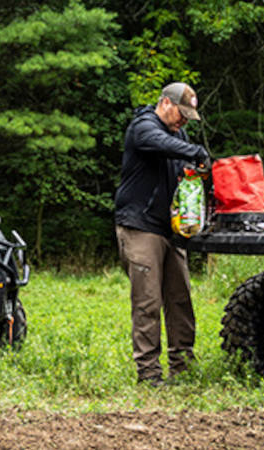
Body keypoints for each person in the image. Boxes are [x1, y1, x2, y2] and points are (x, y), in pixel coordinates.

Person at [113, 82, 211, 386]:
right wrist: (196, 152)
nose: (183, 120)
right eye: (181, 113)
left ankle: (183, 367)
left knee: (180, 298)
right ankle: (149, 373)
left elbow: (184, 166)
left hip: (171, 229)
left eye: (188, 116)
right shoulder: (143, 127)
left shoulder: (177, 134)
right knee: (148, 302)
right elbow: (162, 144)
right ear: (165, 103)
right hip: (140, 226)